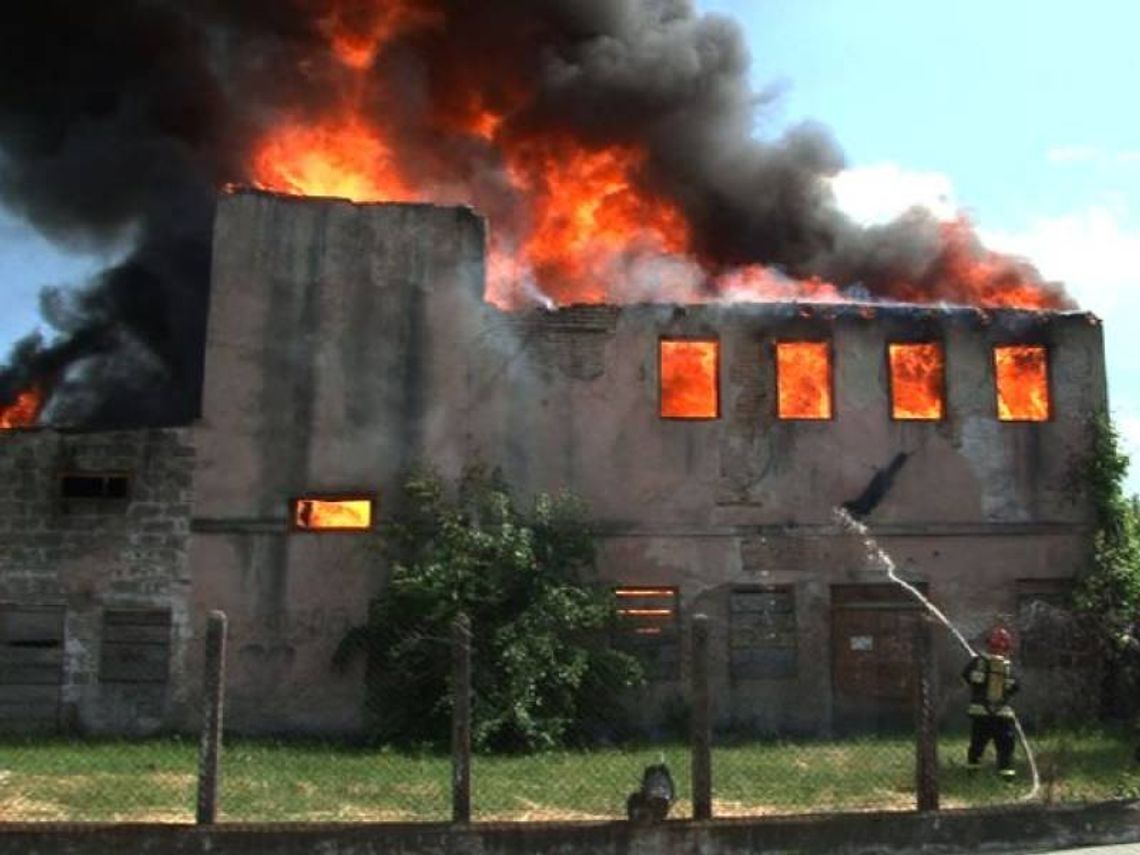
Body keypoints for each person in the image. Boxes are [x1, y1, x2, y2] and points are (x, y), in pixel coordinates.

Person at [962, 625, 1019, 778]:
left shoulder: (978, 662)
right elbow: (1016, 687)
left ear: (988, 644)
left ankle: (972, 775)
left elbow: (966, 676)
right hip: (1002, 714)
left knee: (977, 745)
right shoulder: (1008, 667)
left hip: (979, 712)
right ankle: (1006, 778)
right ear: (1007, 647)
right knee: (1006, 746)